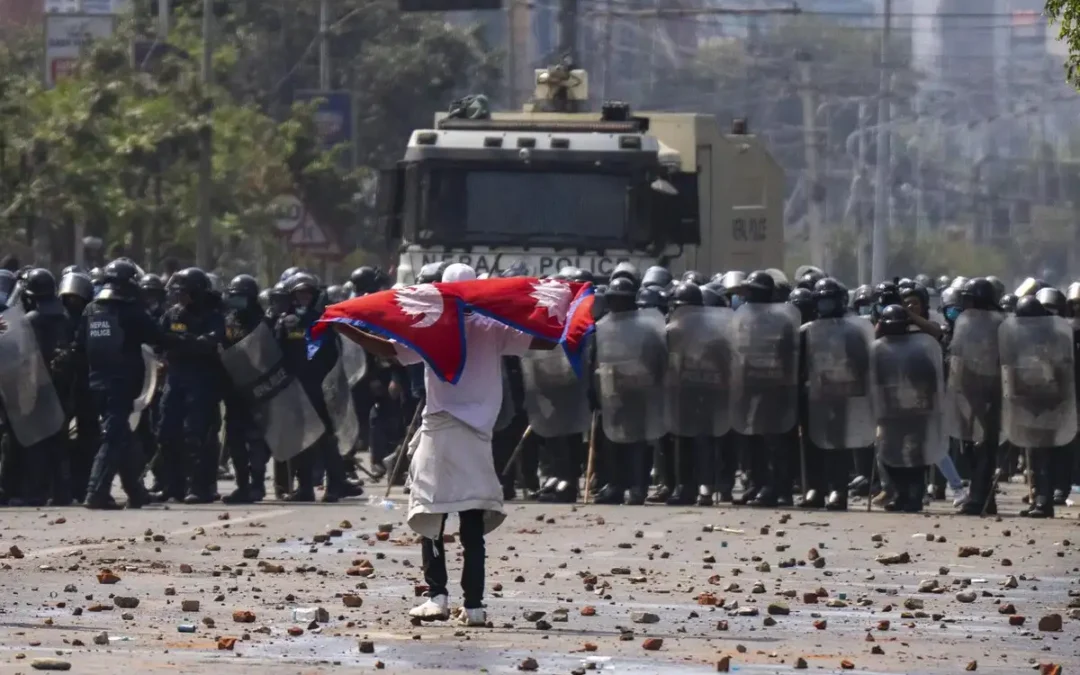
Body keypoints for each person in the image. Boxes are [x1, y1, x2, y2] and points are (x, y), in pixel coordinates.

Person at [336, 263, 557, 627]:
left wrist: (348, 329)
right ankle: (474, 608)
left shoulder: (431, 328)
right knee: (471, 525)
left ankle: (437, 598)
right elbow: (545, 341)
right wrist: (563, 316)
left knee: (432, 520)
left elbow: (388, 351)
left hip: (439, 433)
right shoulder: (493, 328)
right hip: (477, 436)